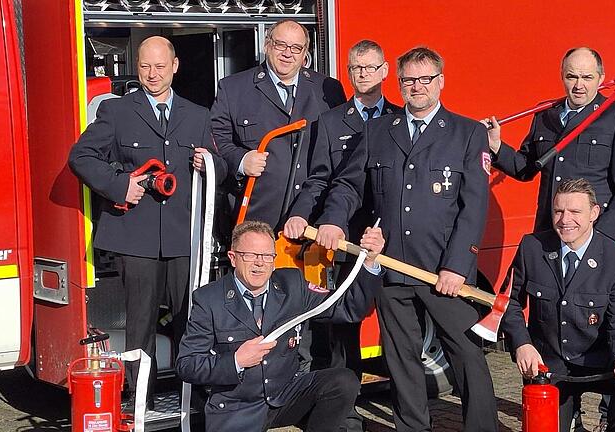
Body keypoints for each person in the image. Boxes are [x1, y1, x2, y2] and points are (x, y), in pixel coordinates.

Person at [313, 47, 498, 432]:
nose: (417, 87)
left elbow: (473, 207)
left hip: (441, 271)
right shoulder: (379, 130)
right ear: (399, 83)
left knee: (465, 353)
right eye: (409, 80)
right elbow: (348, 185)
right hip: (391, 268)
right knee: (401, 359)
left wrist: (456, 266)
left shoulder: (467, 133)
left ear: (440, 82)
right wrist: (333, 220)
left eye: (424, 79)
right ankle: (413, 427)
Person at [68, 36, 227, 408]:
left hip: (182, 238)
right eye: (144, 67)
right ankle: (142, 403)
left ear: (175, 66)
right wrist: (120, 185)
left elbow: (222, 167)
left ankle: (195, 401)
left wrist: (211, 165)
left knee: (192, 320)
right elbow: (81, 156)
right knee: (140, 326)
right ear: (135, 67)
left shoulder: (198, 115)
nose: (152, 74)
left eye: (159, 66)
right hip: (134, 239)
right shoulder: (117, 112)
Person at [283, 39, 400, 431]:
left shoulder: (403, 120)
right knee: (342, 332)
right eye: (355, 68)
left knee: (400, 332)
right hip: (346, 243)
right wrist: (300, 217)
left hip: (394, 243)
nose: (362, 74)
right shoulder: (331, 123)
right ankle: (345, 414)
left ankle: (407, 413)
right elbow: (317, 179)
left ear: (385, 72)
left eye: (370, 67)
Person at [175, 220, 384, 432]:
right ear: (233, 258)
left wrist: (369, 261)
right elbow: (187, 365)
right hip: (238, 408)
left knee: (343, 381)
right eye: (251, 255)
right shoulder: (209, 299)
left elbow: (347, 309)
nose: (260, 263)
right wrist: (236, 361)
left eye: (267, 256)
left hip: (286, 395)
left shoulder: (291, 284)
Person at [500, 178, 615, 432]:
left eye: (575, 212)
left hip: (599, 361)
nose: (565, 220)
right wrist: (522, 344)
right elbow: (508, 302)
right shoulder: (532, 248)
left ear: (594, 213)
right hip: (551, 367)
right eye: (558, 211)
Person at [483, 47, 615, 243]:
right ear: (562, 76)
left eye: (587, 77)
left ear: (601, 78)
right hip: (548, 232)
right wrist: (496, 145)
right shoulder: (545, 114)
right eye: (572, 76)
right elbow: (526, 168)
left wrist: (604, 238)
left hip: (589, 234)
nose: (579, 85)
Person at [210, 19, 346, 232]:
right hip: (257, 220)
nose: (287, 53)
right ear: (267, 45)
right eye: (280, 45)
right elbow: (216, 140)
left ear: (305, 53)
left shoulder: (328, 90)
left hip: (314, 219)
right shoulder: (233, 89)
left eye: (295, 48)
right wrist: (241, 160)